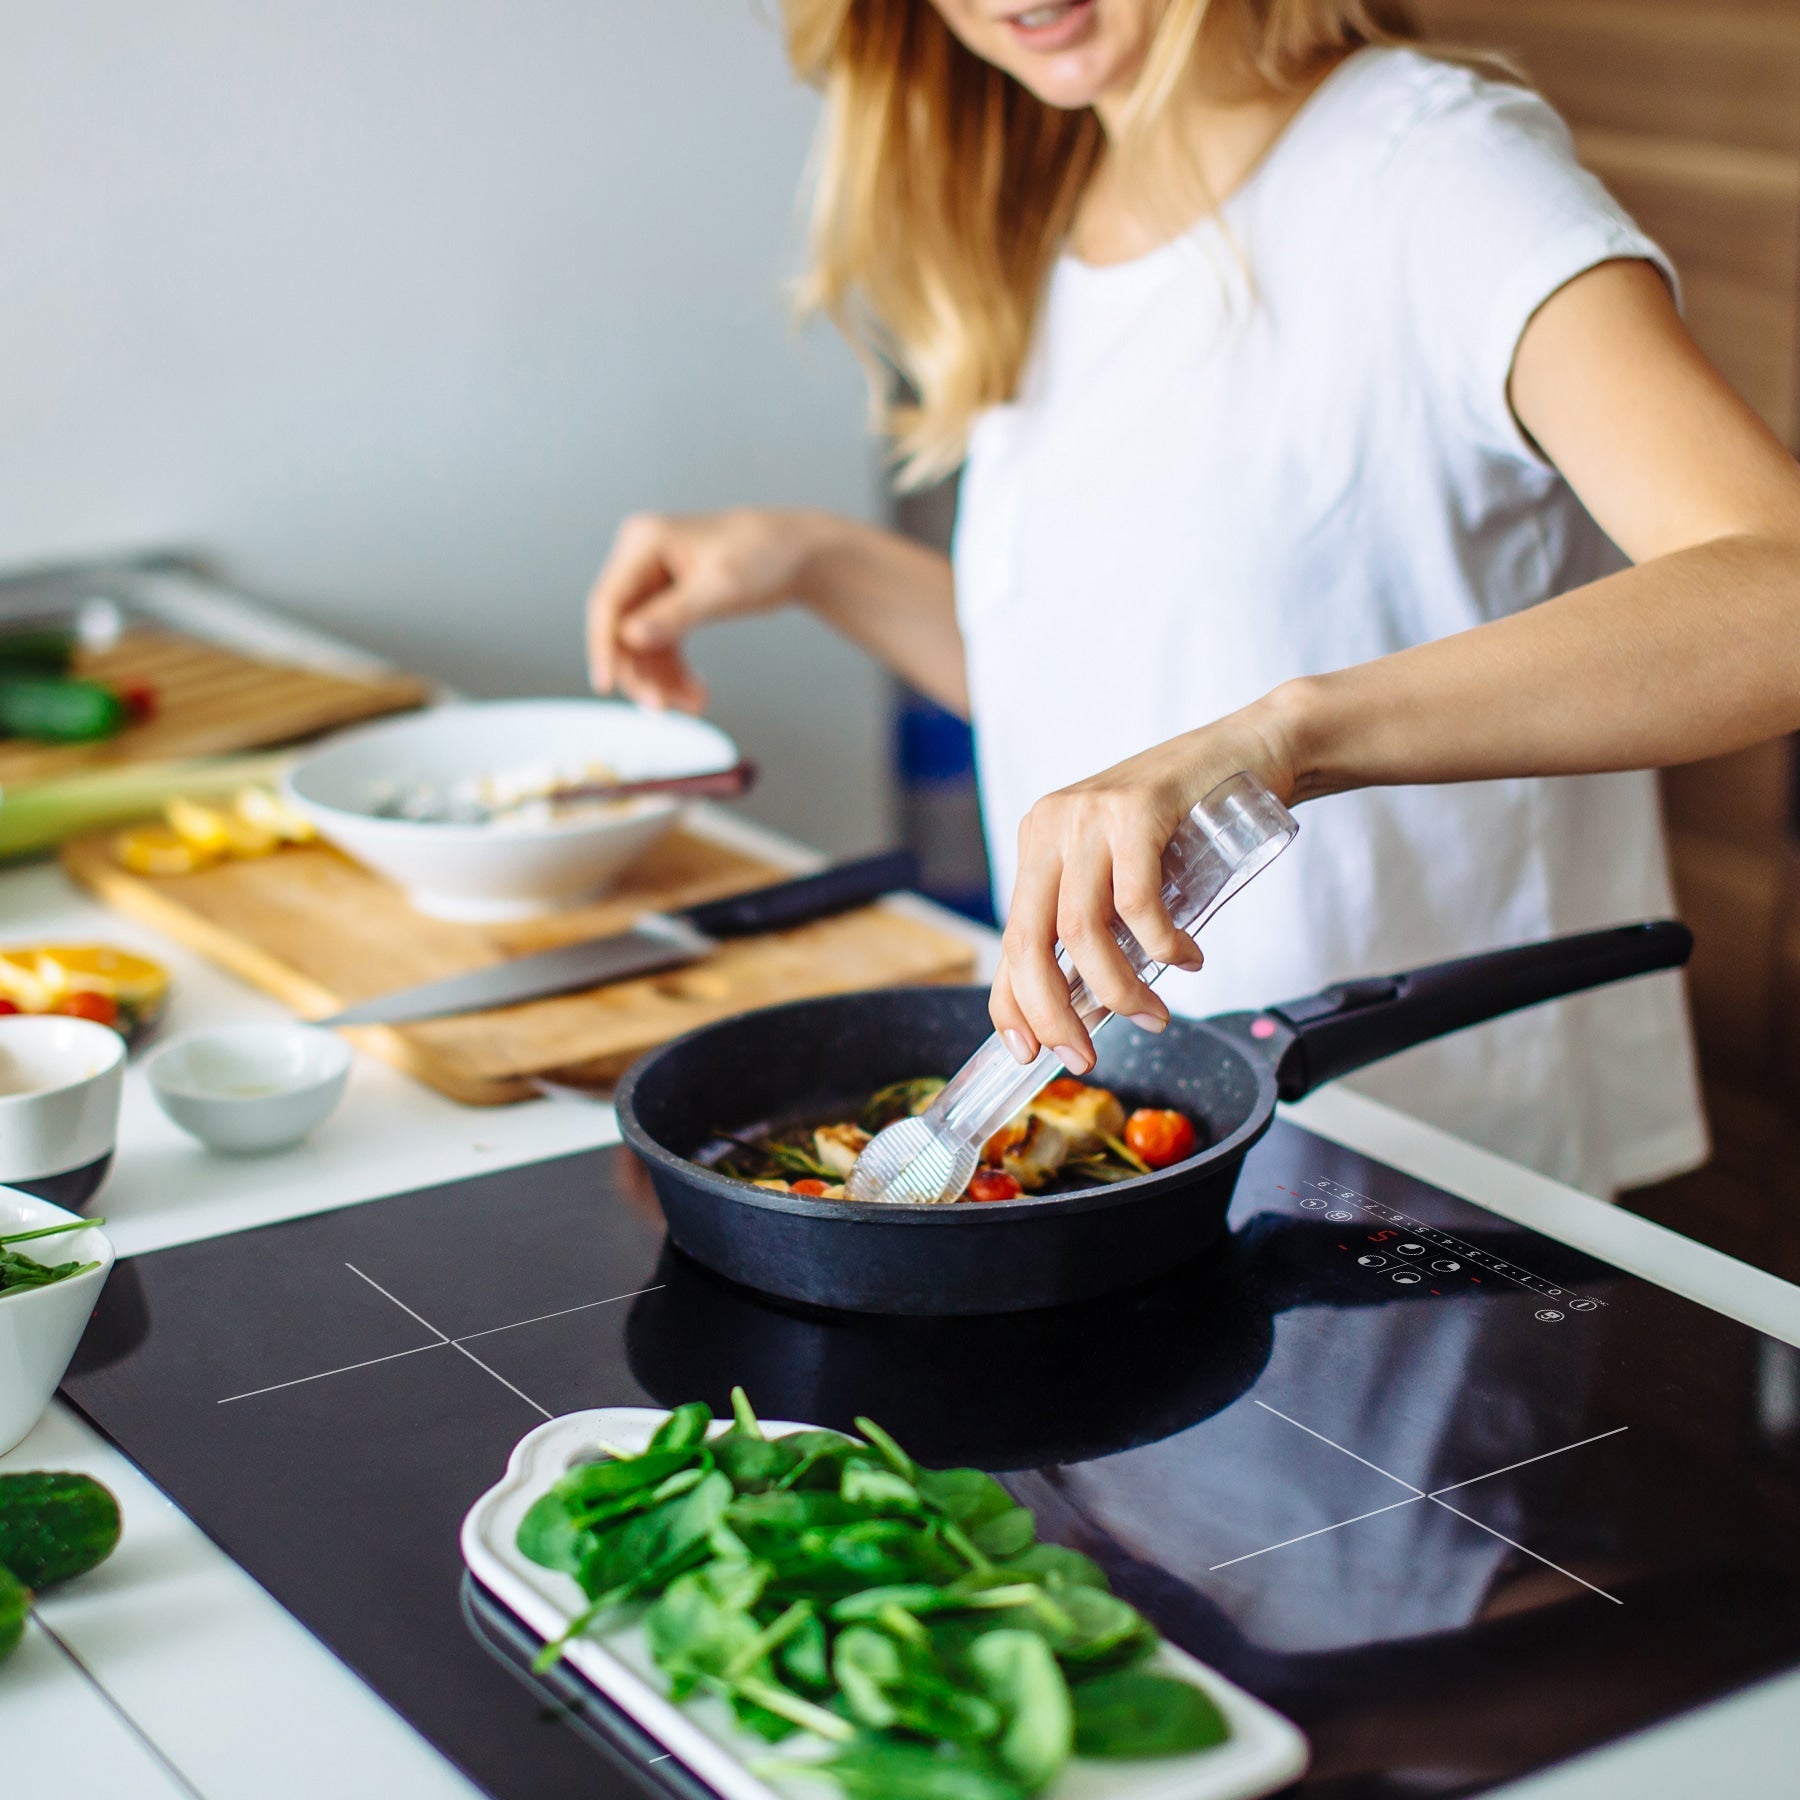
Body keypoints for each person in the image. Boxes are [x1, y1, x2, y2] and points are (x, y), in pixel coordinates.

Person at [587, 0, 1800, 1197]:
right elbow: (1129, 693)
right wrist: (819, 562)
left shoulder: (1438, 171)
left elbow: (1779, 590)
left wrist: (1280, 742)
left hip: (1421, 1161)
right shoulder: (1057, 195)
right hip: (1135, 1143)